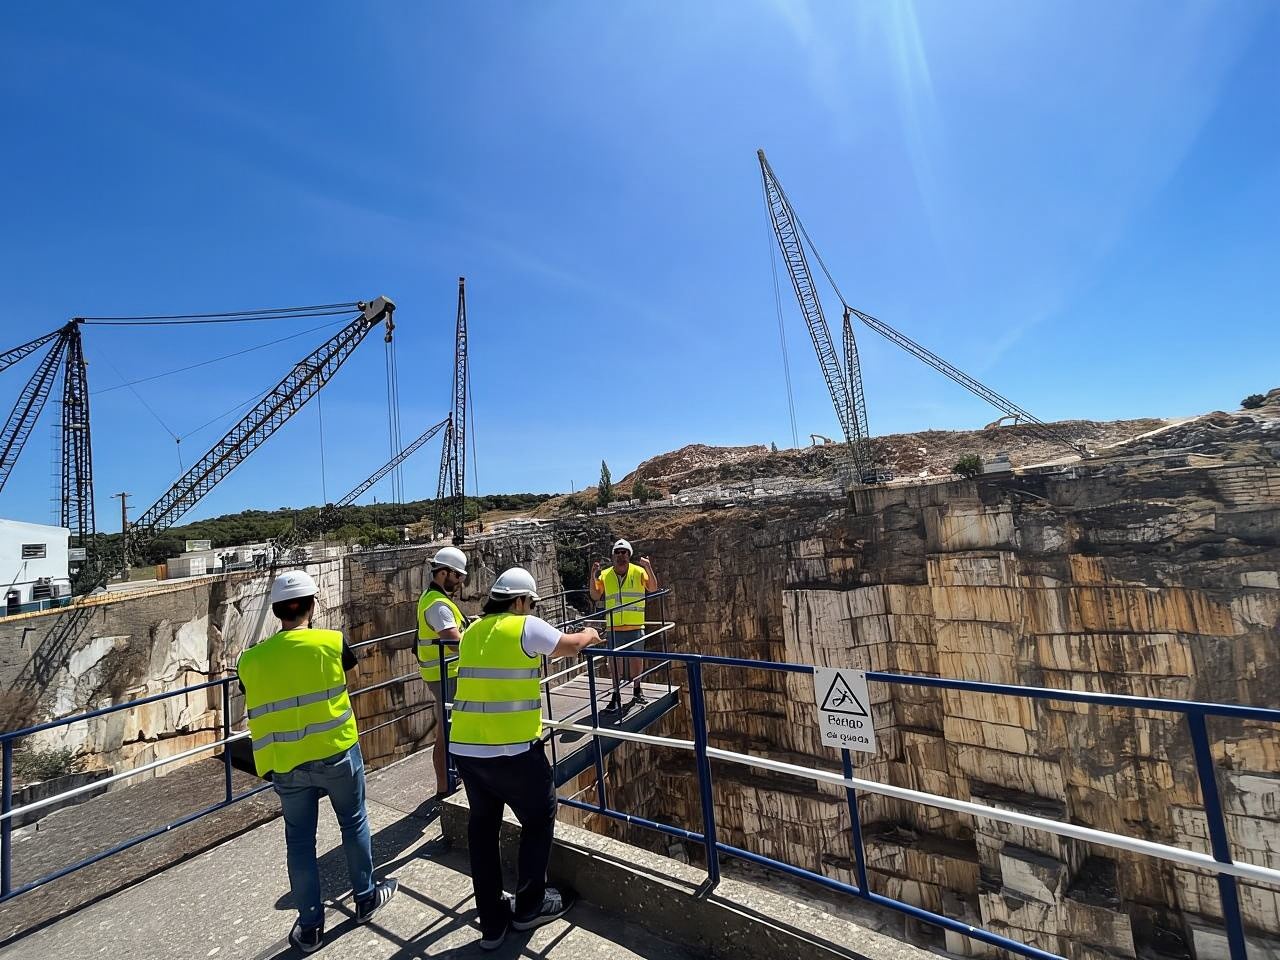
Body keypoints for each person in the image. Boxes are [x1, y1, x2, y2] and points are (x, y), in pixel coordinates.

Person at [237, 570, 397, 954]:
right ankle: (365, 898)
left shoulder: (250, 659)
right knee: (354, 822)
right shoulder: (332, 642)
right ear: (312, 606)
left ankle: (310, 928)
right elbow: (349, 670)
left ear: (277, 612)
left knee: (299, 842)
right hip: (337, 752)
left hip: (286, 762)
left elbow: (251, 690)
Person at [450, 566, 602, 951]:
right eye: (530, 603)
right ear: (519, 601)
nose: (531, 608)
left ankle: (491, 923)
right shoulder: (525, 626)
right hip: (513, 750)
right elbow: (571, 645)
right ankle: (529, 906)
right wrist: (590, 633)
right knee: (539, 816)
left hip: (467, 749)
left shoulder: (472, 632)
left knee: (483, 829)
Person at [417, 545, 469, 799]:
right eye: (458, 576)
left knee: (449, 728)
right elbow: (452, 640)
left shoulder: (435, 598)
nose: (460, 581)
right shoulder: (438, 604)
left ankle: (450, 778)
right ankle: (444, 786)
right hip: (444, 675)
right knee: (446, 732)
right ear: (444, 573)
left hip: (443, 673)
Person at [589, 539, 658, 714]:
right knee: (614, 663)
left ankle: (637, 689)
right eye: (617, 552)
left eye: (624, 552)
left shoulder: (639, 571)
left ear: (629, 555)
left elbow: (652, 588)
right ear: (613, 556)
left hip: (635, 625)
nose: (621, 555)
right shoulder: (605, 575)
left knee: (636, 659)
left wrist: (648, 567)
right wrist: (592, 576)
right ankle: (616, 695)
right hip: (614, 627)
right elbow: (596, 595)